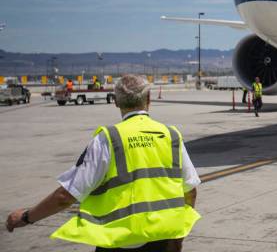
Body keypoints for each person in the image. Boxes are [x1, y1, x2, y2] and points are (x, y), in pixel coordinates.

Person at [6, 74, 201, 251]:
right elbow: (190, 191)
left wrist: (26, 217)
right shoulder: (171, 136)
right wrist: (178, 237)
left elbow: (65, 196)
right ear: (149, 99)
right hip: (163, 239)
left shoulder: (108, 139)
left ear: (116, 102)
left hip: (118, 242)